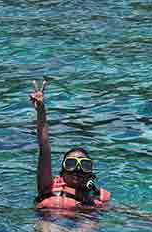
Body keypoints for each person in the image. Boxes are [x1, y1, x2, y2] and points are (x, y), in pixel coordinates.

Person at [29, 80, 111, 211]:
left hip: (84, 220)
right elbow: (44, 147)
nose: (77, 170)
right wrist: (41, 111)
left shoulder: (95, 199)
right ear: (62, 172)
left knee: (82, 228)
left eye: (85, 165)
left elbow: (125, 212)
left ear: (91, 175)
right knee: (50, 230)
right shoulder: (47, 187)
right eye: (71, 163)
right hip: (50, 221)